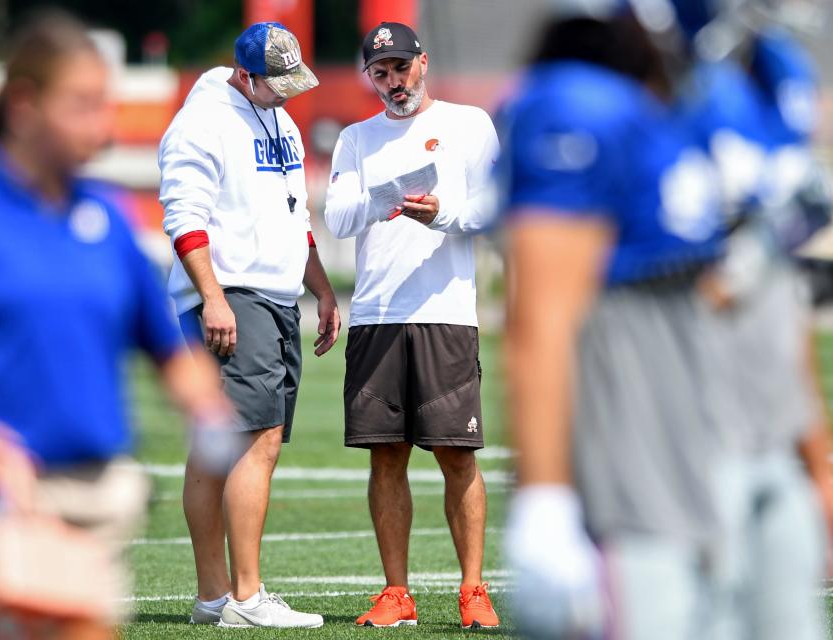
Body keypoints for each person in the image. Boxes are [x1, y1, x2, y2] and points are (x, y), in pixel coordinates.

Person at [0, 10, 231, 639]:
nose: (104, 125)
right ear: (24, 104)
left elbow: (166, 352)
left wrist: (204, 404)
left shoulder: (108, 218)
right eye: (84, 104)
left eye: (107, 105)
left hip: (91, 501)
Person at [496, 5, 729, 639]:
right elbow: (540, 316)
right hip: (628, 485)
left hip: (696, 461)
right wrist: (546, 499)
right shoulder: (577, 103)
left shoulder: (674, 108)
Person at [157, 21, 340, 629]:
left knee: (218, 447)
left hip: (274, 292)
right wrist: (212, 296)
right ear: (243, 75)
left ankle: (215, 597)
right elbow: (183, 214)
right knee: (254, 440)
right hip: (234, 291)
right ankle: (245, 595)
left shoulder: (280, 119)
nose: (288, 93)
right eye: (277, 82)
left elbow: (295, 213)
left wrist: (320, 287)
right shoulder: (202, 121)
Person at [323, 21, 500, 630]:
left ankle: (473, 590)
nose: (393, 81)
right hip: (376, 314)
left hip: (445, 311)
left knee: (458, 455)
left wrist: (443, 214)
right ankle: (396, 593)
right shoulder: (355, 138)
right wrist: (385, 196)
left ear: (423, 63)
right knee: (386, 457)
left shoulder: (468, 124)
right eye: (381, 71)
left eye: (401, 67)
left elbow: (498, 206)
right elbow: (340, 219)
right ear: (368, 76)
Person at [672, 2, 833, 637]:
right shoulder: (675, 72)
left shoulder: (777, 67)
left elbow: (799, 196)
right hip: (675, 298)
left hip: (753, 286)